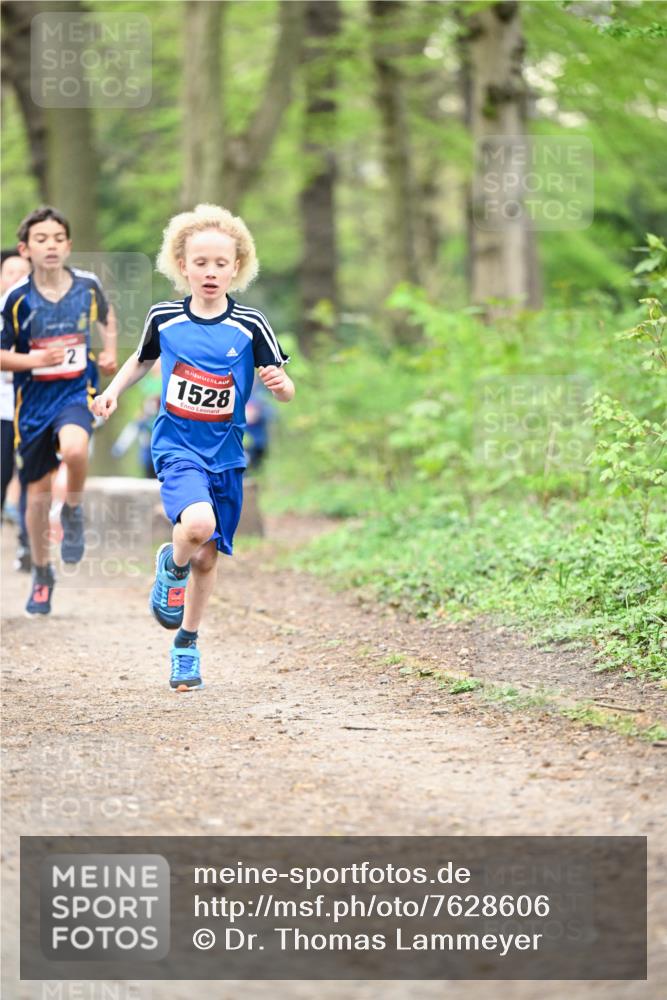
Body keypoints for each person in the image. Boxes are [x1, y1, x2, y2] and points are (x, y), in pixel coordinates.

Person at [93, 203, 294, 692]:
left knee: (208, 558)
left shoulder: (250, 325)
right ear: (182, 265)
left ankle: (186, 643)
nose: (209, 271)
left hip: (226, 454)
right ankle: (171, 564)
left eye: (220, 263)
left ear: (236, 267)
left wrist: (281, 383)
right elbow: (140, 362)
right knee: (197, 526)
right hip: (177, 445)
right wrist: (114, 392)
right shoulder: (165, 317)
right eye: (200, 262)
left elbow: (284, 388)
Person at [0, 206, 117, 615]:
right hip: (31, 406)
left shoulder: (87, 285)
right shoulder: (15, 299)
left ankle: (72, 510)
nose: (50, 246)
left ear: (68, 245)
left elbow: (107, 317)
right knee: (35, 496)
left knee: (75, 450)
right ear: (25, 249)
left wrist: (110, 353)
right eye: (40, 239)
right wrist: (35, 361)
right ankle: (42, 573)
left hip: (74, 395)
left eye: (57, 239)